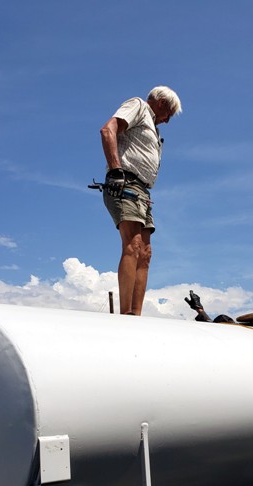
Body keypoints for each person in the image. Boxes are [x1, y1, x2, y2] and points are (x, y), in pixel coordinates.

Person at [100, 86, 182, 315]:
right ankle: (126, 314)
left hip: (142, 191)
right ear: (161, 103)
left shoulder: (154, 129)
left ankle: (136, 315)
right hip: (125, 182)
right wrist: (116, 170)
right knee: (133, 244)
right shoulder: (138, 106)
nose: (167, 121)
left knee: (145, 252)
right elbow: (108, 130)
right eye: (169, 114)